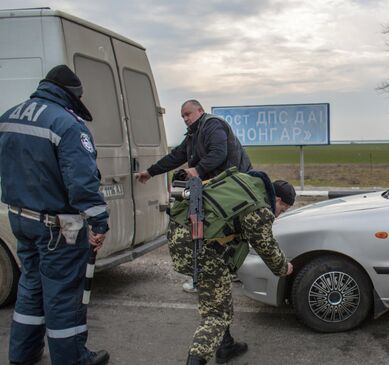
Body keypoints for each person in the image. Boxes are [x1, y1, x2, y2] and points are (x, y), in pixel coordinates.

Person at [0, 65, 110, 365]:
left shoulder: (9, 116)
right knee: (63, 295)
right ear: (71, 96)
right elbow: (83, 182)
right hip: (58, 227)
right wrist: (99, 222)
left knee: (31, 285)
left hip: (20, 218)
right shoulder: (67, 124)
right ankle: (72, 358)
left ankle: (22, 355)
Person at [167, 169, 295, 365]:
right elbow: (265, 245)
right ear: (276, 200)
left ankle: (225, 346)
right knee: (217, 315)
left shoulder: (242, 181)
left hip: (182, 233)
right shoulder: (259, 207)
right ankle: (195, 360)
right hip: (201, 248)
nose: (279, 215)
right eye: (283, 209)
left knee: (218, 297)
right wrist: (282, 267)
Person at [137, 99, 252, 293]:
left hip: (233, 187)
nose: (185, 119)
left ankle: (210, 276)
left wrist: (197, 169)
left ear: (200, 111)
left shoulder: (213, 125)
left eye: (188, 114)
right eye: (183, 116)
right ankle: (223, 272)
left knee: (218, 231)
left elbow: (219, 153)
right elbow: (176, 157)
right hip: (219, 188)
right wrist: (150, 172)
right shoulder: (193, 134)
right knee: (218, 231)